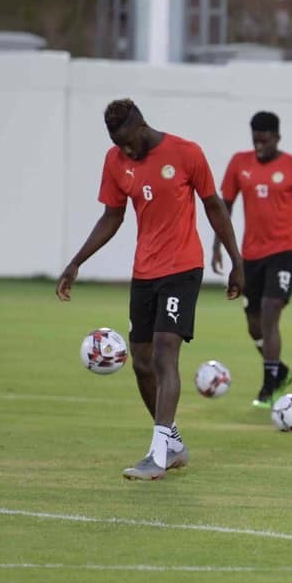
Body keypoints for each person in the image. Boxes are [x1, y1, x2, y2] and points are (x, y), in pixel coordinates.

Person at [56, 98, 244, 480]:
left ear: (141, 127)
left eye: (127, 141)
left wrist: (237, 262)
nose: (124, 150)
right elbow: (112, 215)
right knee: (141, 363)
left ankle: (157, 454)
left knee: (163, 352)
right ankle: (172, 444)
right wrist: (77, 261)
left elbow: (214, 207)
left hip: (183, 268)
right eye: (116, 143)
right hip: (144, 272)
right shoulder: (115, 160)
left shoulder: (187, 152)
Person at [212, 111, 292, 408]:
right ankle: (281, 371)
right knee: (253, 325)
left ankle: (269, 383)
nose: (259, 146)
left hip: (285, 251)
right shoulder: (239, 163)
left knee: (270, 310)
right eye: (255, 140)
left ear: (277, 137)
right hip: (251, 255)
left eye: (265, 140)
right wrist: (217, 246)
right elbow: (222, 208)